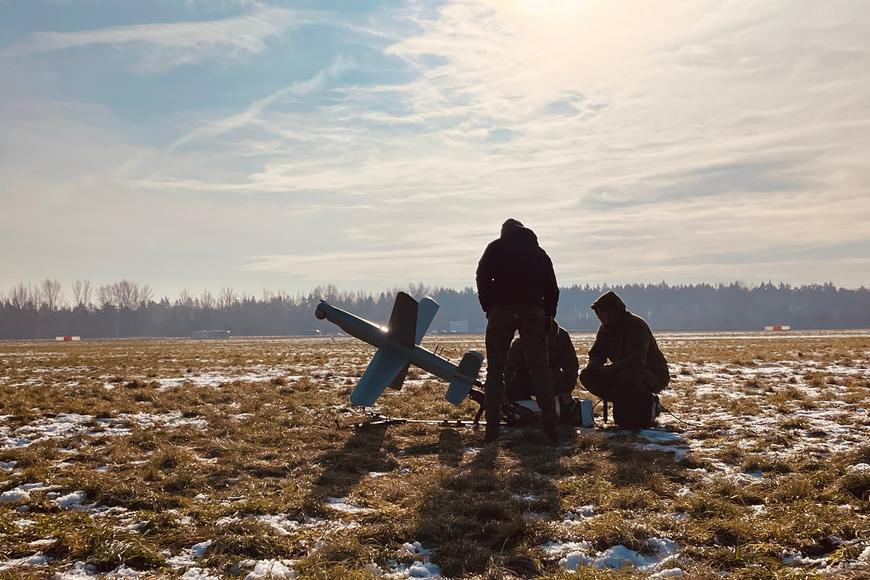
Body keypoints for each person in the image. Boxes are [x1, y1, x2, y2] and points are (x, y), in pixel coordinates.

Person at [476, 219, 559, 444]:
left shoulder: (495, 248)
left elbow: (481, 276)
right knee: (540, 369)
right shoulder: (538, 253)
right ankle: (551, 427)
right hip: (533, 311)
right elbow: (552, 287)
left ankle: (492, 428)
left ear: (504, 232)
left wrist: (489, 306)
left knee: (495, 370)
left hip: (501, 311)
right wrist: (547, 314)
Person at [579, 291, 669, 429]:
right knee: (587, 376)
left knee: (627, 377)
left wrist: (609, 371)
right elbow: (597, 353)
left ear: (613, 312)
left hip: (652, 374)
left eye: (602, 312)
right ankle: (620, 401)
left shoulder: (636, 326)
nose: (599, 316)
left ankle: (648, 406)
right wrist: (593, 367)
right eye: (598, 313)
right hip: (622, 372)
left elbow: (636, 360)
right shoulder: (605, 329)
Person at [504, 318, 579, 411]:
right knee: (513, 388)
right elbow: (509, 369)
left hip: (551, 379)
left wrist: (567, 390)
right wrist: (504, 392)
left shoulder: (562, 338)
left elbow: (571, 366)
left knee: (548, 376)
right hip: (527, 378)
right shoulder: (522, 341)